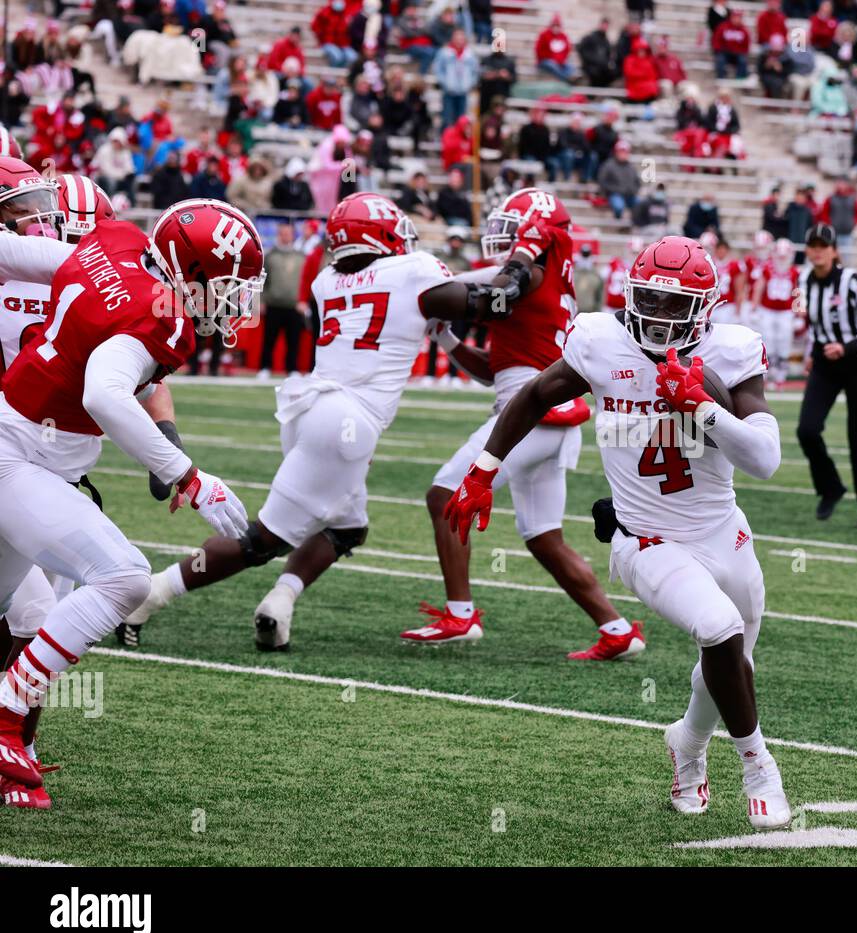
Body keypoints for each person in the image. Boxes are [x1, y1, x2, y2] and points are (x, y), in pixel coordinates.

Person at [441, 234, 791, 830]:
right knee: (719, 629)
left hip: (724, 533)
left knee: (733, 662)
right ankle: (759, 766)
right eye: (648, 300)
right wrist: (482, 468)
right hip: (644, 539)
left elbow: (765, 460)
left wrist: (705, 408)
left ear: (704, 308)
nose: (656, 317)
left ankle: (687, 745)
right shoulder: (601, 341)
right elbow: (533, 395)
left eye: (672, 305)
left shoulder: (731, 353)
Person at [119, 193, 501, 651]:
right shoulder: (416, 271)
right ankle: (149, 595)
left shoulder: (325, 281)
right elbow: (486, 303)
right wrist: (522, 274)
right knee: (259, 541)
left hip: (312, 409)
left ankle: (279, 602)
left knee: (347, 527)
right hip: (347, 420)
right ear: (382, 233)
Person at [0, 195, 263, 795]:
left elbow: (14, 251)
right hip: (19, 459)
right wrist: (189, 478)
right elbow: (105, 396)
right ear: (192, 272)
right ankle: (7, 714)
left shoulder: (117, 242)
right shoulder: (160, 317)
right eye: (230, 283)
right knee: (123, 578)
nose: (237, 298)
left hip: (20, 443)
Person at [403, 188, 642, 661]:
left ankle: (460, 614)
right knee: (544, 537)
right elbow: (498, 368)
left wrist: (424, 281)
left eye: (516, 233)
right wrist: (447, 341)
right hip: (548, 419)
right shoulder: (551, 282)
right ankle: (617, 630)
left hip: (529, 418)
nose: (507, 243)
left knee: (445, 497)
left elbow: (440, 294)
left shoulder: (530, 274)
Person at [796, 224, 857, 528]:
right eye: (813, 245)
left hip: (856, 362)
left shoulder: (850, 280)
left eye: (824, 245)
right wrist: (812, 351)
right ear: (807, 249)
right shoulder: (805, 279)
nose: (818, 250)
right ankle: (830, 488)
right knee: (807, 430)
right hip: (824, 361)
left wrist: (847, 347)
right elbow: (814, 323)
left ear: (835, 251)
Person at [259, 222, 307, 379]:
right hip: (274, 304)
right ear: (279, 234)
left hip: (294, 305)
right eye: (283, 233)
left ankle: (292, 369)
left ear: (293, 235)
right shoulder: (270, 255)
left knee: (293, 341)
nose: (285, 236)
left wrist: (303, 300)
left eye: (288, 233)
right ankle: (265, 368)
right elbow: (262, 280)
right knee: (269, 340)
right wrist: (261, 300)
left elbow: (306, 281)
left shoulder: (301, 257)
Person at [750, 238, 800, 385]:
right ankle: (768, 368)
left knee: (784, 338)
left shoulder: (794, 271)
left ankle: (781, 370)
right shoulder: (767, 268)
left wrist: (800, 314)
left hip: (785, 311)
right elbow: (759, 287)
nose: (782, 259)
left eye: (784, 256)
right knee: (768, 338)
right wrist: (754, 307)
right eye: (780, 256)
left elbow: (798, 292)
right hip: (767, 309)